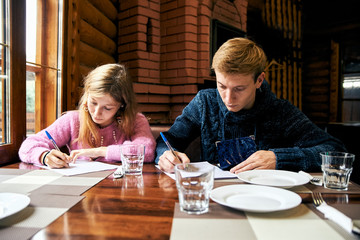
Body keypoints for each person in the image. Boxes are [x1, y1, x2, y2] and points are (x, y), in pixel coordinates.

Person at [155, 37, 346, 173]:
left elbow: (336, 151)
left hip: (266, 202)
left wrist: (279, 158)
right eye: (222, 86)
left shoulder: (280, 111)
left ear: (259, 80)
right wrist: (165, 155)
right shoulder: (205, 102)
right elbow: (168, 140)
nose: (228, 98)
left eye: (239, 88)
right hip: (214, 201)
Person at [19, 63, 156, 168]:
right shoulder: (72, 120)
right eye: (93, 102)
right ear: (87, 96)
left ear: (122, 105)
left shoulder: (136, 120)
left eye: (107, 108)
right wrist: (44, 156)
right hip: (81, 190)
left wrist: (100, 151)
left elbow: (147, 151)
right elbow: (28, 146)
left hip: (121, 190)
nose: (96, 113)